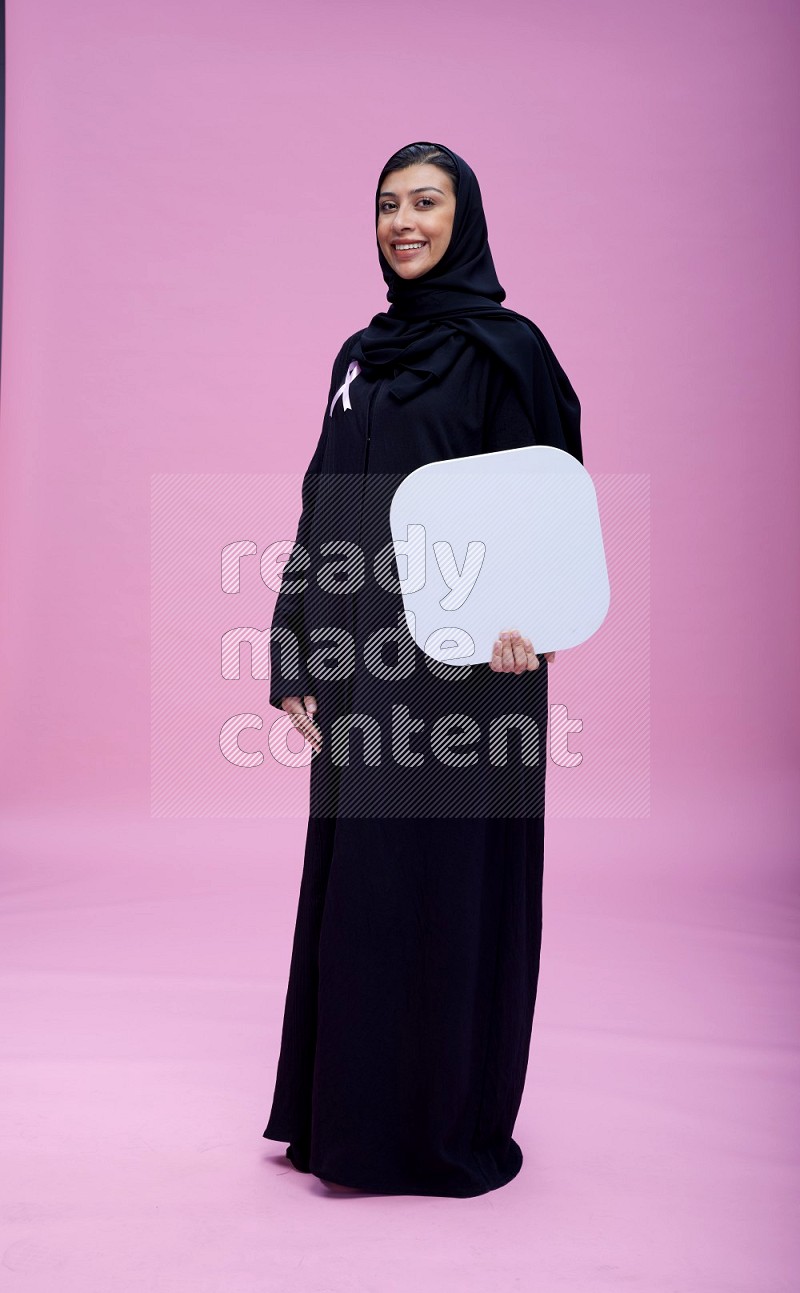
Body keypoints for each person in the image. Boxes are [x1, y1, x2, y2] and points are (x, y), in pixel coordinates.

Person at [262, 141, 583, 1197]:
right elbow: (324, 505)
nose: (403, 222)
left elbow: (547, 504)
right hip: (360, 669)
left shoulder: (508, 354)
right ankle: (344, 1128)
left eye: (425, 203)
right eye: (387, 205)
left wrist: (524, 619)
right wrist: (296, 648)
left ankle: (436, 1128)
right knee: (363, 891)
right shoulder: (359, 353)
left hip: (464, 679)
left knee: (442, 895)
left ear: (465, 217)